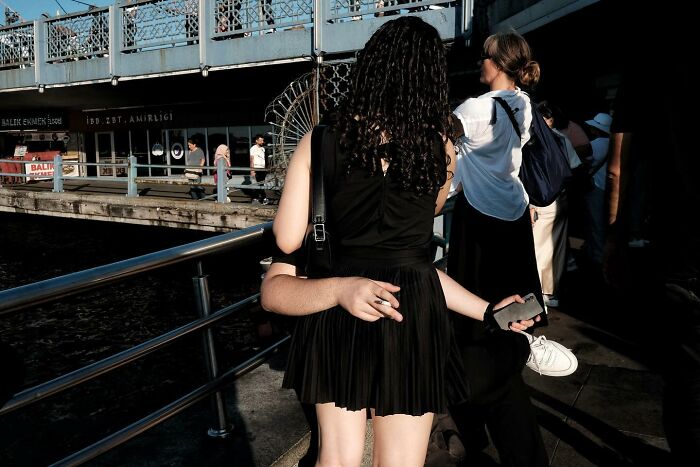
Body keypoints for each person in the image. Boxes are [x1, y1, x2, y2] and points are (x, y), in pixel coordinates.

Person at [260, 17, 540, 466]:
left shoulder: (321, 140)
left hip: (339, 310)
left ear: (370, 67)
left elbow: (288, 236)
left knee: (337, 457)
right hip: (412, 314)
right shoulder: (441, 148)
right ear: (431, 77)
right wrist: (489, 310)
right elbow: (417, 252)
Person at [447, 30, 577, 466]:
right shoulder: (522, 103)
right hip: (515, 214)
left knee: (472, 321)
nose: (478, 63)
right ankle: (523, 344)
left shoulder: (476, 107)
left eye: (484, 56)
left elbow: (438, 141)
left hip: (478, 219)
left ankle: (508, 362)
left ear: (498, 62)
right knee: (512, 304)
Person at [604, 20, 698, 463]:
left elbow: (620, 165)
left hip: (683, 245)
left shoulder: (652, 49)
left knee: (688, 379)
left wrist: (615, 242)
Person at [530, 101, 582, 308]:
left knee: (535, 247)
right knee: (556, 247)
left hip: (535, 200)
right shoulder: (561, 140)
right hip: (559, 198)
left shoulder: (530, 142)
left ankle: (536, 292)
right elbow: (575, 167)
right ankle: (550, 292)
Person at [581, 112, 612, 270]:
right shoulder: (611, 142)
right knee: (601, 222)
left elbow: (587, 163)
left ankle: (597, 256)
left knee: (595, 222)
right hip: (606, 186)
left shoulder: (598, 144)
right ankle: (599, 253)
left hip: (596, 187)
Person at [249, 134, 268, 204]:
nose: (262, 141)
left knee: (261, 184)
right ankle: (263, 198)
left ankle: (256, 198)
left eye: (263, 140)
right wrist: (252, 170)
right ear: (256, 141)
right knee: (260, 184)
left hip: (263, 169)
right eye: (261, 140)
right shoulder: (253, 148)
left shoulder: (263, 149)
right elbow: (251, 160)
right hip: (257, 168)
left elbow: (264, 159)